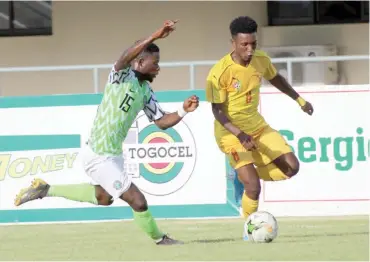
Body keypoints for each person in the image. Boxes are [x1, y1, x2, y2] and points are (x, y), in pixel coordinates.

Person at [14, 19, 199, 245]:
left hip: (114, 156)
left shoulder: (146, 91)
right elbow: (124, 57)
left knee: (104, 197)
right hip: (98, 155)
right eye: (155, 63)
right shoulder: (121, 76)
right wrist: (155, 36)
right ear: (140, 62)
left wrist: (183, 110)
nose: (158, 68)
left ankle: (45, 189)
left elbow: (161, 122)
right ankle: (160, 239)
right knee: (138, 201)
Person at [206, 16, 313, 224]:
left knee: (291, 167)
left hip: (257, 127)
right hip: (230, 133)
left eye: (253, 44)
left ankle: (244, 173)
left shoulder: (261, 60)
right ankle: (249, 228)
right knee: (253, 187)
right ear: (233, 44)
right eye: (244, 45)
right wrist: (240, 134)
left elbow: (276, 79)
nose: (249, 50)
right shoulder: (220, 72)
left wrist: (299, 99)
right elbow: (217, 111)